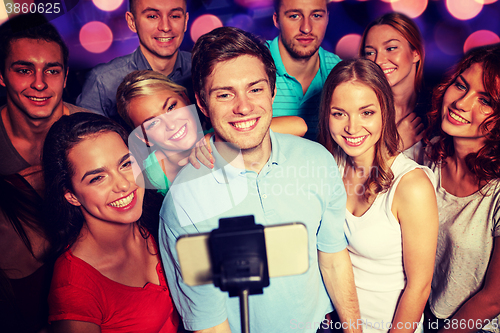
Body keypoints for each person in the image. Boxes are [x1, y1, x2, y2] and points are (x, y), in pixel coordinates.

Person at [159, 27, 361, 333]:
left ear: (273, 91)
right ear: (202, 103)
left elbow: (333, 258)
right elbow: (210, 325)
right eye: (225, 94)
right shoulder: (185, 202)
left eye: (255, 89)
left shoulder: (317, 160)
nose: (243, 107)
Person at [318, 58, 438, 332]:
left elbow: (419, 288)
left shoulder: (412, 185)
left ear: (385, 111)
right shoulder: (328, 165)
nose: (352, 127)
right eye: (339, 113)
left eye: (366, 112)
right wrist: (210, 138)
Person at [43, 113, 179, 332]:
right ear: (71, 195)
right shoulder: (74, 287)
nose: (124, 185)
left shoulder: (158, 218)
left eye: (126, 164)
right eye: (97, 178)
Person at [406, 44, 500, 332]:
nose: (461, 103)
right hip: (422, 313)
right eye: (461, 86)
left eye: (485, 100)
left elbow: (493, 299)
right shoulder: (426, 154)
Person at [76, 0, 191, 124]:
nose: (165, 27)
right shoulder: (103, 82)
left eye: (175, 16)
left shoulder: (200, 66)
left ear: (185, 21)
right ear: (132, 22)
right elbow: (85, 139)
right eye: (152, 16)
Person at [0, 13, 87, 176]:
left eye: (52, 71)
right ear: (2, 76)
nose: (39, 84)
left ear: (65, 77)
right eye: (24, 71)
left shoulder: (97, 133)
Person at [117, 70, 203, 195]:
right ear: (143, 138)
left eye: (171, 107)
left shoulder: (224, 139)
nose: (171, 125)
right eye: (152, 123)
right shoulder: (142, 182)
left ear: (186, 100)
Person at [270, 0, 341, 140]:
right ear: (277, 20)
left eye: (316, 15)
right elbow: (219, 136)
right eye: (294, 16)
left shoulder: (339, 70)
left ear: (327, 17)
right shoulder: (251, 64)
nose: (306, 28)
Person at [359, 12, 426, 150]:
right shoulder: (360, 111)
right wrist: (395, 146)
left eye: (390, 48)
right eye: (370, 53)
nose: (378, 61)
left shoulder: (438, 109)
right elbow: (355, 171)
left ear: (416, 53)